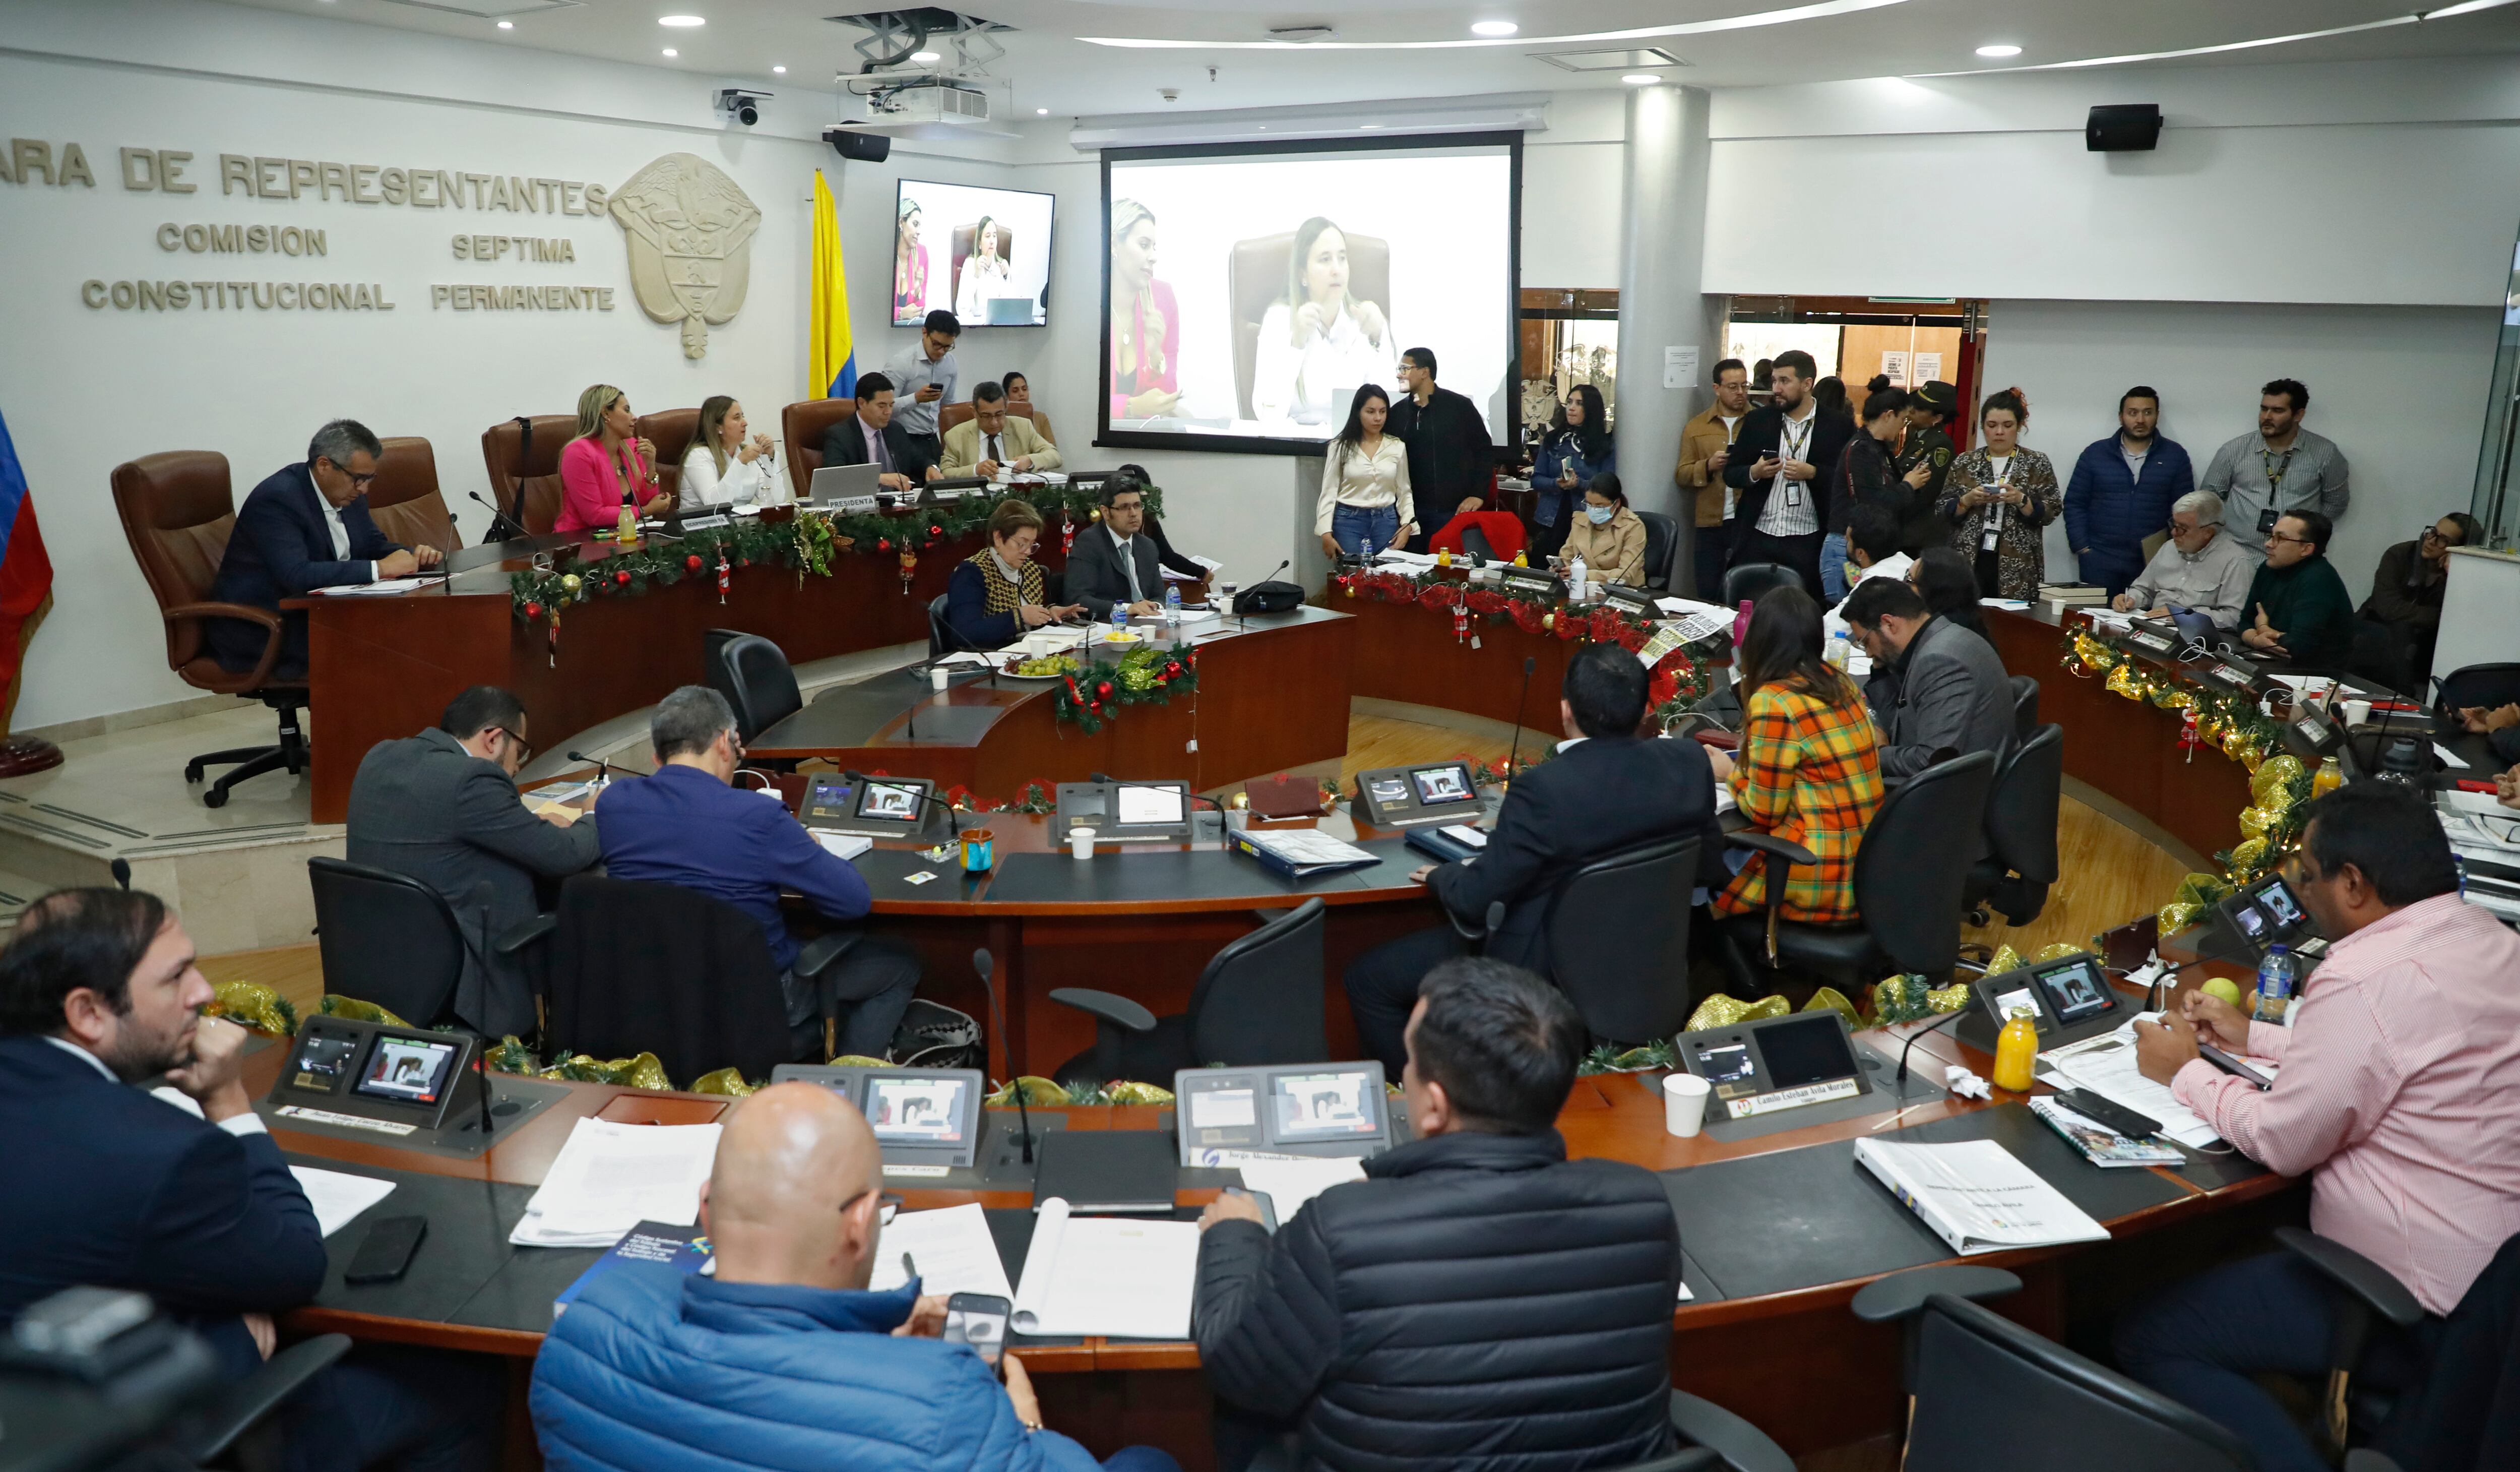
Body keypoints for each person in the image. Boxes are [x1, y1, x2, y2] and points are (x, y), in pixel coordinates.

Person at [0, 887, 500, 1472]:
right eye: (177, 976)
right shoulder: (155, 1151)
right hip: (121, 1440)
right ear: (88, 1013)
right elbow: (291, 1264)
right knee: (462, 1386)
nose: (205, 993)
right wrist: (228, 1098)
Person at [2119, 783, 2520, 1472]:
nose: (2299, 890)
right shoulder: (2489, 939)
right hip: (2493, 1298)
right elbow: (2401, 1052)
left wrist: (2184, 1071)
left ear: (2355, 884)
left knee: (2153, 1337)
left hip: (2413, 1302)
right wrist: (2254, 1038)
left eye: (2306, 874)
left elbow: (2285, 1139)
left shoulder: (2365, 975)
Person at [534, 1080, 1178, 1472]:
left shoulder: (581, 1336)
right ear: (863, 1221)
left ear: (705, 1205)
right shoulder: (942, 1401)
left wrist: (862, 1347)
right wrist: (1025, 1424)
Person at [1197, 958, 1683, 1472]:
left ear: (1433, 1105)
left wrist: (1234, 1235)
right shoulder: (1641, 1205)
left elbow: (1239, 1368)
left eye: (1406, 1062)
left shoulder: (1341, 1230)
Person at [1340, 642, 1726, 1073]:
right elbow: (1709, 868)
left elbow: (1474, 901)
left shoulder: (1543, 790)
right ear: (1643, 711)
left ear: (1565, 711)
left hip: (1543, 976)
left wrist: (1443, 876)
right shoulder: (1689, 762)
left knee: (1368, 980)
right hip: (1652, 973)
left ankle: (1424, 1110)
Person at [597, 688, 923, 1061]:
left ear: (658, 755)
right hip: (751, 1003)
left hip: (654, 999)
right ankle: (848, 1089)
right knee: (899, 963)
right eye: (738, 747)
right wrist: (805, 845)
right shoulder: (759, 817)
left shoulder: (614, 806)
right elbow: (852, 902)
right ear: (724, 743)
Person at [345, 685, 598, 1038]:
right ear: (494, 739)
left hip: (379, 966)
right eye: (520, 751)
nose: (516, 768)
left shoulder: (380, 756)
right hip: (462, 982)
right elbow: (565, 855)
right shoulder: (473, 779)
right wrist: (593, 815)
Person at [209, 418, 440, 680]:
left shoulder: (348, 494)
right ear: (324, 465)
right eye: (359, 479)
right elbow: (296, 574)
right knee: (390, 647)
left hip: (322, 616)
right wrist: (381, 568)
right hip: (269, 629)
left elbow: (371, 545)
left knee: (421, 632)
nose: (365, 489)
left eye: (370, 479)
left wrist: (413, 555)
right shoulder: (277, 499)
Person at [1706, 586, 1883, 924]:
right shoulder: (1840, 681)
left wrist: (1726, 773)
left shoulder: (1774, 701)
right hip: (1867, 868)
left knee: (1704, 874)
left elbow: (1765, 810)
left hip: (1819, 872)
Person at [1841, 575, 2012, 781]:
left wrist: (1875, 752)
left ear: (1889, 624)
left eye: (1866, 642)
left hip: (1955, 796)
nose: (1867, 653)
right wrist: (1880, 668)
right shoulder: (1940, 638)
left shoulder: (1940, 661)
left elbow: (1929, 759)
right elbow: (1899, 727)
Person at [1724, 349, 1852, 596]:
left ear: (1807, 384)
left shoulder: (1838, 426)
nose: (1776, 388)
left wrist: (1813, 473)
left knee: (1800, 610)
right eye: (1774, 380)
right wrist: (1754, 471)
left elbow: (1845, 481)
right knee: (1750, 606)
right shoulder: (1759, 420)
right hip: (1758, 534)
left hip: (1808, 538)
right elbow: (1731, 474)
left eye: (1784, 381)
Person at [1251, 216, 1393, 426]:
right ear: (1303, 275)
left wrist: (1377, 339)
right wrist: (1296, 343)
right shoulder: (1279, 319)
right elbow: (1266, 414)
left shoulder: (1365, 321)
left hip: (1353, 448)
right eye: (1325, 259)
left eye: (1342, 258)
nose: (1337, 269)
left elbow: (1389, 416)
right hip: (1295, 449)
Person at [2199, 379, 2350, 564]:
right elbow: (2208, 500)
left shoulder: (2326, 453)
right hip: (2238, 556)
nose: (2267, 417)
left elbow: (2336, 503)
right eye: (2264, 409)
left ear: (2298, 415)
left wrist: (2302, 536)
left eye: (2278, 411)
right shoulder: (2234, 450)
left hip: (2295, 560)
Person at [2065, 386, 2195, 596]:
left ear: (2157, 416)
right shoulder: (2095, 454)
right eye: (2133, 413)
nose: (2140, 420)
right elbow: (2075, 503)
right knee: (2097, 623)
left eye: (2147, 412)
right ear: (2121, 417)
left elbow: (2185, 510)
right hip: (2100, 558)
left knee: (2145, 624)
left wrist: (2173, 552)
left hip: (2152, 560)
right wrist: (2083, 548)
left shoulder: (2175, 456)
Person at [1936, 387, 2059, 600]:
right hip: (1968, 556)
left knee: (2013, 624)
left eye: (2007, 425)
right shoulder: (1966, 462)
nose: (1999, 432)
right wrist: (1967, 501)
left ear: (2019, 426)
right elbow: (1942, 509)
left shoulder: (2036, 463)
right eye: (1992, 426)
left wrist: (2022, 501)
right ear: (1982, 426)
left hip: (2018, 561)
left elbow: (2052, 510)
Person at [1388, 347, 1494, 545]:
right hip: (1410, 515)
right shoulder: (1397, 413)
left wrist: (1478, 494)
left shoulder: (1459, 407)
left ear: (1424, 372)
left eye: (1405, 368)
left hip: (1452, 511)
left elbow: (1484, 452)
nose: (1398, 375)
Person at [2359, 511, 2483, 680]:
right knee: (2400, 631)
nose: (2431, 541)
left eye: (2443, 540)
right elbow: (2388, 608)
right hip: (2378, 627)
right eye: (2432, 532)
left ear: (2459, 549)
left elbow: (2461, 619)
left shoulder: (2462, 573)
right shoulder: (2400, 554)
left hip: (2424, 645)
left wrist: (2453, 574)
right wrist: (2438, 616)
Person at [944, 499, 1082, 649]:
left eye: (1032, 545)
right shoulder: (971, 573)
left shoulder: (1031, 569)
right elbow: (965, 633)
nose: (1028, 552)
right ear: (998, 538)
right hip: (992, 659)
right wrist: (1020, 616)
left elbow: (1032, 611)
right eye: (1021, 544)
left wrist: (1049, 613)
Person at [2112, 489, 2255, 630]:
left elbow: (2235, 618)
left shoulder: (2236, 562)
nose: (2174, 532)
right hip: (2152, 627)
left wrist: (2185, 616)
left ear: (2208, 532)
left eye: (2183, 528)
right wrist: (2130, 599)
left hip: (2196, 638)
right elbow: (2144, 590)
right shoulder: (2169, 548)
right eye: (2174, 525)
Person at [1821, 380, 1911, 601]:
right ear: (1889, 415)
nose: (1904, 426)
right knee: (1843, 621)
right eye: (1903, 419)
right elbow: (1872, 502)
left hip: (1865, 547)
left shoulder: (1880, 448)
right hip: (1846, 545)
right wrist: (1909, 486)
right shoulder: (1861, 449)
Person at [2239, 509, 2354, 668]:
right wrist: (2255, 640)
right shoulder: (2267, 569)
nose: (2269, 544)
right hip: (2268, 659)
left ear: (2306, 549)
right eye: (2271, 536)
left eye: (2280, 539)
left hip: (2312, 674)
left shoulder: (2318, 580)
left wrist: (2262, 628)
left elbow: (2299, 647)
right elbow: (2245, 621)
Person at [1314, 384, 1415, 562]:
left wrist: (1407, 524)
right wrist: (1325, 533)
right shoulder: (1340, 447)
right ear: (1358, 412)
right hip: (1349, 522)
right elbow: (1329, 492)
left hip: (1386, 521)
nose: (1378, 418)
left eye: (1383, 412)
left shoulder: (1397, 447)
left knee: (1387, 580)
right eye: (1371, 412)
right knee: (1353, 580)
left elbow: (1404, 491)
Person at [1678, 357, 1752, 598]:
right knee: (1708, 590)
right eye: (1733, 387)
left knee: (1743, 592)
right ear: (1716, 389)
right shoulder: (1697, 426)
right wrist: (1707, 466)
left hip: (1749, 521)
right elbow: (1682, 474)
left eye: (1744, 385)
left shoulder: (1760, 421)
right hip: (1710, 522)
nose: (1740, 392)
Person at [556, 384, 670, 534]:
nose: (634, 417)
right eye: (627, 410)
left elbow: (646, 501)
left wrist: (650, 467)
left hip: (622, 538)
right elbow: (594, 515)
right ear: (605, 413)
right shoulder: (578, 453)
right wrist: (646, 511)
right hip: (580, 543)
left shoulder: (631, 446)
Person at [1108, 198, 1181, 421]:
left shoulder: (1162, 298)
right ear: (1113, 244)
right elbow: (1080, 397)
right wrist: (1130, 406)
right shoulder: (1087, 304)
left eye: (1154, 247)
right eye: (1143, 245)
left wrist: (1156, 354)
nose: (1153, 257)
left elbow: (1166, 399)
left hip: (1143, 436)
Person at [1065, 471, 1165, 621]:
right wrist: (1126, 609)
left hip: (1148, 623)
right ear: (1105, 512)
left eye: (1137, 506)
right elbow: (1078, 599)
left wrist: (1155, 607)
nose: (1133, 514)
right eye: (1125, 507)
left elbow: (1159, 595)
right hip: (1111, 627)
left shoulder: (1147, 546)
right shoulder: (1090, 543)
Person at [1529, 383, 1614, 557]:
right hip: (1550, 518)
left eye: (1579, 404)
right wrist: (1556, 483)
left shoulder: (1603, 445)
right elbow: (1536, 479)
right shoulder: (1553, 439)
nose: (1572, 408)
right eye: (1569, 402)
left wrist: (1579, 484)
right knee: (1544, 567)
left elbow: (1607, 487)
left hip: (1585, 519)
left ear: (1591, 409)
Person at [820, 373, 935, 492]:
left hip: (898, 505)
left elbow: (917, 459)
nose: (888, 412)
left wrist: (930, 468)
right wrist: (879, 478)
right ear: (862, 403)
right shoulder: (840, 435)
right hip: (862, 506)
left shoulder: (895, 430)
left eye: (891, 405)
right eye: (882, 406)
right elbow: (834, 476)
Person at [940, 380, 1062, 478]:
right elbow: (945, 472)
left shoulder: (1023, 427)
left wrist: (1029, 461)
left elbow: (1055, 456)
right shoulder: (955, 435)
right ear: (974, 412)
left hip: (1016, 498)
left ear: (1006, 408)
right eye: (986, 416)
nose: (994, 422)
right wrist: (975, 470)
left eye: (999, 414)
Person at [884, 310, 961, 464]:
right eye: (937, 344)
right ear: (924, 332)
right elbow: (885, 408)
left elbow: (948, 406)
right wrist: (916, 398)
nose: (941, 352)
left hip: (933, 439)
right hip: (903, 439)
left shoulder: (950, 364)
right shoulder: (901, 363)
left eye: (947, 347)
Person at [1892, 380, 1960, 557]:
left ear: (1937, 418)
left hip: (1917, 537)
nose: (1912, 410)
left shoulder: (1940, 446)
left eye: (1920, 408)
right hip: (1903, 531)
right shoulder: (1917, 436)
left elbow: (1925, 496)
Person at [682, 395, 776, 508]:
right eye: (737, 418)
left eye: (743, 416)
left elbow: (775, 499)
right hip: (705, 523)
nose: (745, 423)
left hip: (742, 524)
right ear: (718, 428)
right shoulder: (698, 456)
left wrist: (768, 458)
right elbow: (714, 504)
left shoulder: (746, 453)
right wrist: (740, 462)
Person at [1556, 472, 1647, 587]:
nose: (1593, 510)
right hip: (1579, 588)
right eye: (1589, 504)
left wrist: (1584, 575)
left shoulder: (1633, 527)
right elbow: (1566, 557)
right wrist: (1560, 570)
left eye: (1600, 506)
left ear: (1617, 503)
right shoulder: (1580, 520)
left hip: (1621, 591)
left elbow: (1626, 575)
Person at [1907, 545, 1991, 643]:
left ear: (1932, 590)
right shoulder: (1968, 620)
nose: (1903, 585)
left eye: (1909, 580)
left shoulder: (1942, 639)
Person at [952, 213, 1012, 324]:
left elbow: (1008, 310)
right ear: (979, 243)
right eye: (988, 236)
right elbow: (962, 309)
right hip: (974, 327)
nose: (992, 241)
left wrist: (1006, 276)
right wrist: (976, 275)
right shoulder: (970, 264)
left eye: (995, 236)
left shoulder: (1001, 265)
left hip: (997, 327)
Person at [1841, 501, 1911, 592]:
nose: (1844, 539)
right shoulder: (1909, 564)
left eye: (1848, 540)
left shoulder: (1870, 586)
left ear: (1860, 553)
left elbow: (1845, 607)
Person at [893, 196, 929, 324]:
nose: (919, 232)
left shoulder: (922, 253)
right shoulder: (887, 253)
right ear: (901, 222)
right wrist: (900, 313)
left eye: (919, 226)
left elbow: (919, 308)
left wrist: (918, 289)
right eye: (915, 225)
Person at [1002, 371, 1056, 445]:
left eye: (1025, 389)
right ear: (1006, 396)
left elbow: (1052, 448)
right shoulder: (1001, 419)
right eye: (1015, 391)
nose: (1021, 394)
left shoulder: (1041, 418)